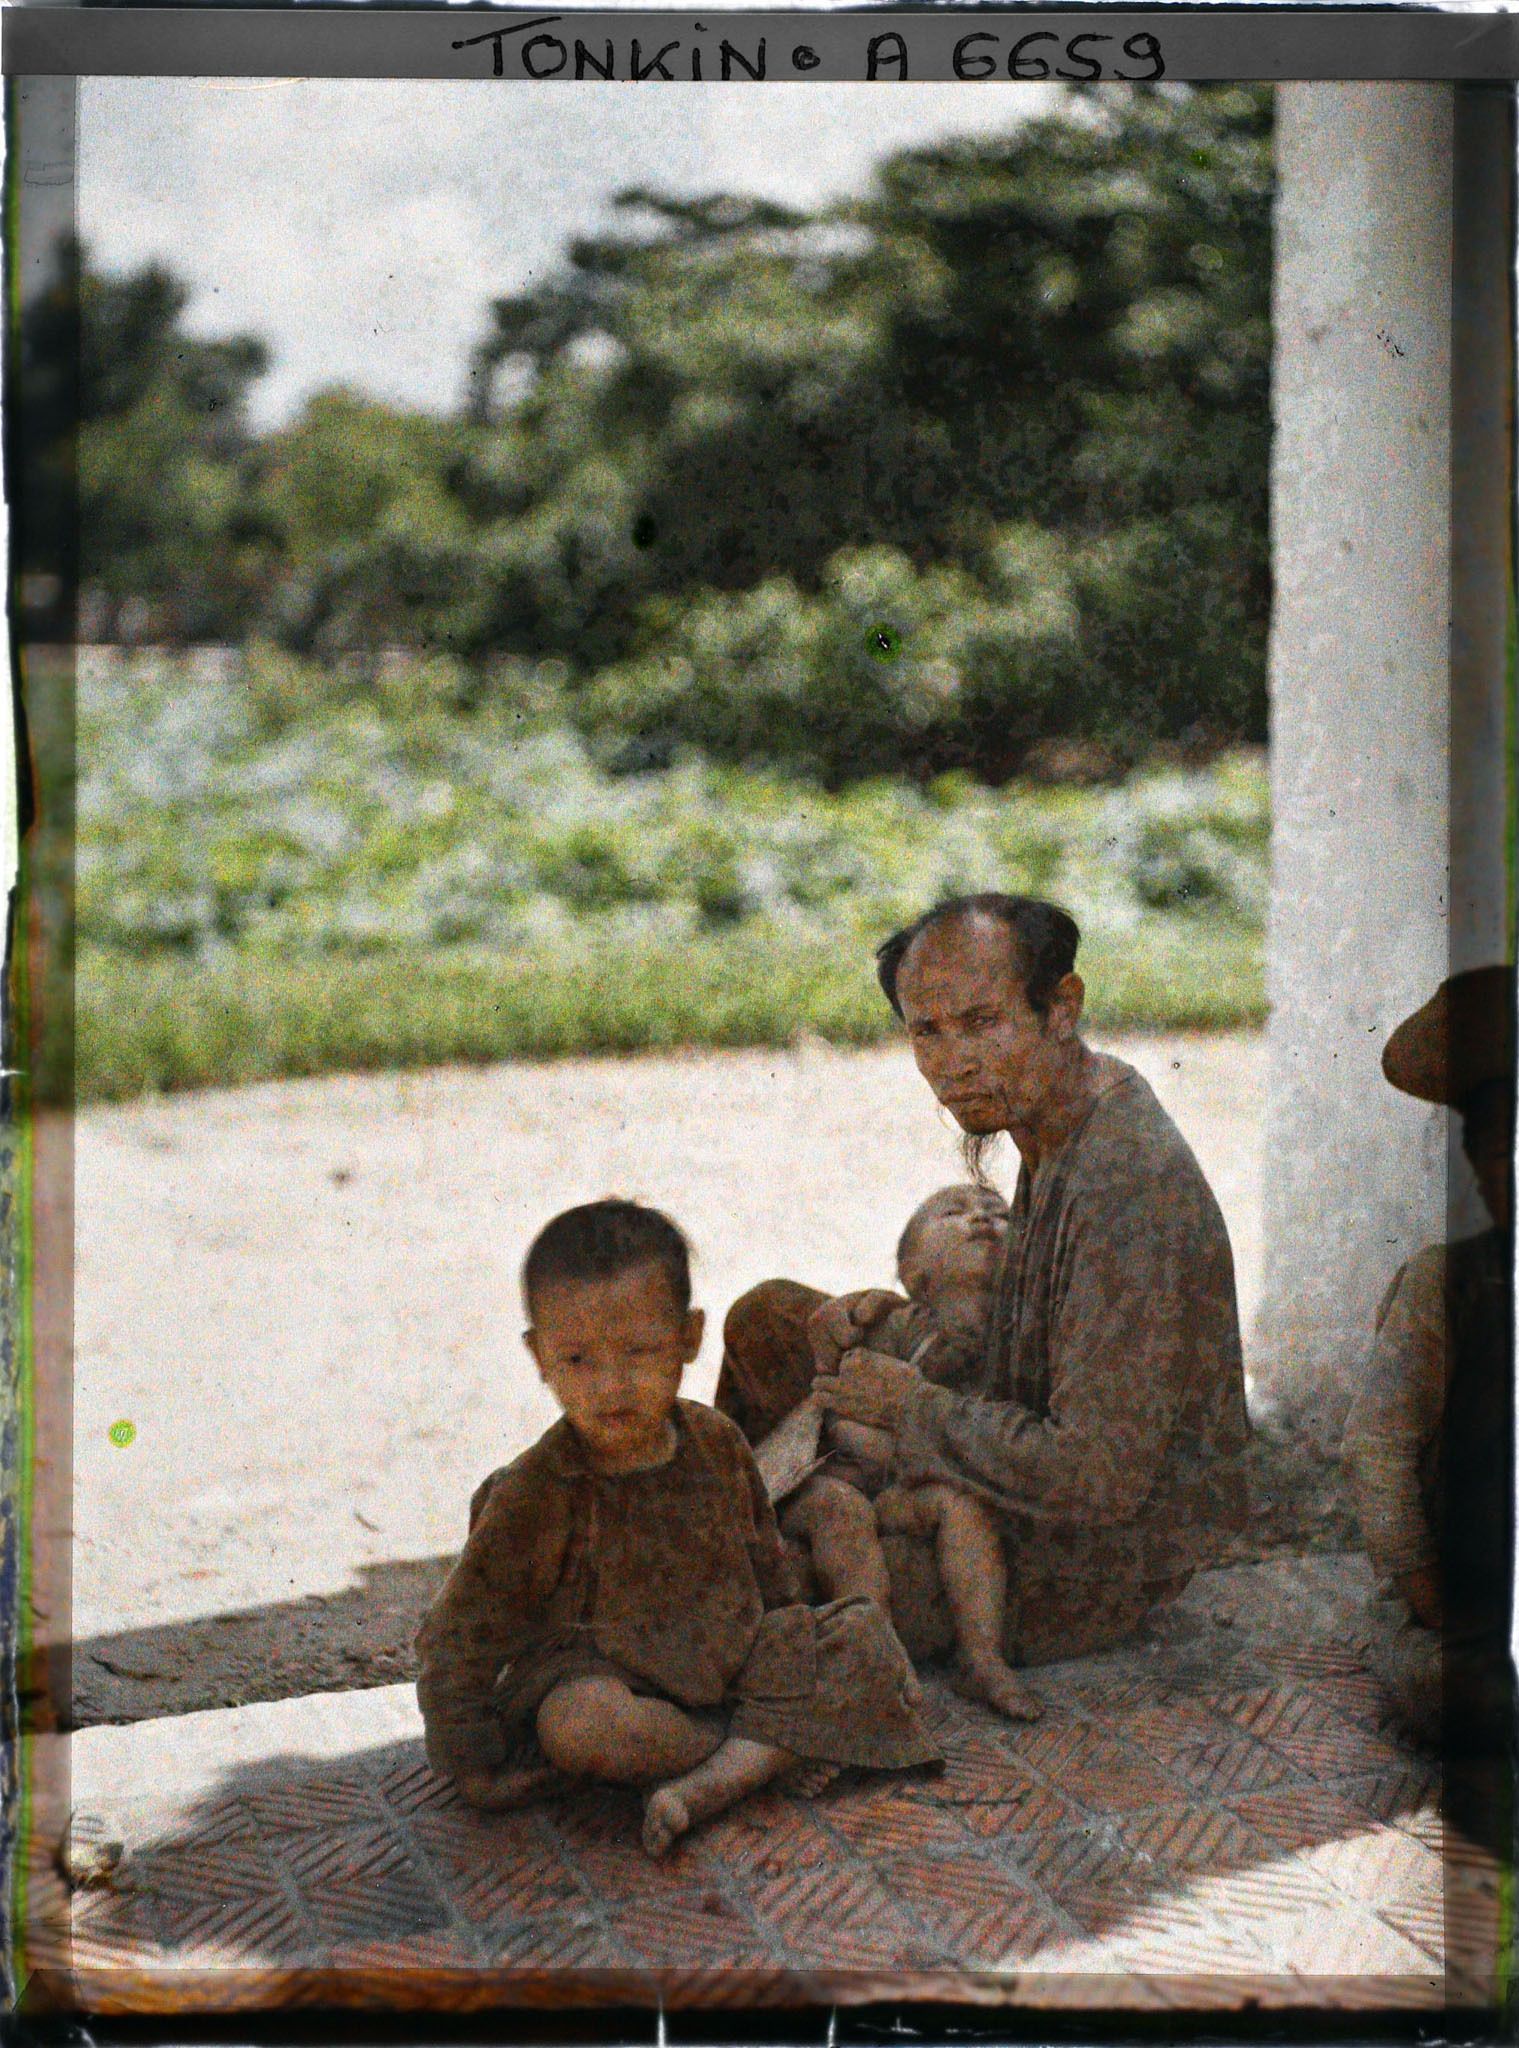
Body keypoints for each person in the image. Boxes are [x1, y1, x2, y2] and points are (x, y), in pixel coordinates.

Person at [719, 894, 1252, 1673]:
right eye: (925, 1033)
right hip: (1024, 1448)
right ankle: (720, 1507)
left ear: (1060, 1007)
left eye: (981, 1024)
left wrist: (909, 1408)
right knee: (770, 1317)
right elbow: (1037, 1328)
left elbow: (1096, 1480)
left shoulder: (1125, 1182)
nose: (950, 1064)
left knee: (774, 1587)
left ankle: (720, 1546)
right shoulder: (1057, 1113)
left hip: (1084, 1560)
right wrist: (899, 1314)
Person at [415, 1199, 938, 1858]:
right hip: (605, 1672)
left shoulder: (716, 1441)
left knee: (857, 1633)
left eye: (640, 1350)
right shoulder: (536, 1489)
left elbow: (764, 1561)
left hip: (724, 1651)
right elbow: (460, 1629)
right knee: (580, 1728)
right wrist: (470, 1759)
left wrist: (791, 1641)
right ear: (539, 1356)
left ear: (689, 1338)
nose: (612, 1384)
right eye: (577, 1359)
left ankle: (724, 1769)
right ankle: (755, 1753)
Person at [755, 1184, 1043, 1721]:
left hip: (900, 1493)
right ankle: (880, 1664)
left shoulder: (1019, 1343)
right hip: (832, 1481)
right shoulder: (896, 1326)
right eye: (953, 1213)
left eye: (1001, 1215)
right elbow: (838, 1418)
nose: (981, 1218)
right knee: (840, 1514)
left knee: (962, 1508)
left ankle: (980, 1656)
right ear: (914, 1274)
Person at [1341, 964, 1514, 1758]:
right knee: (1457, 1692)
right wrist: (1429, 1594)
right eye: (1503, 1146)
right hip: (1472, 1607)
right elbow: (1376, 1446)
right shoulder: (1445, 1283)